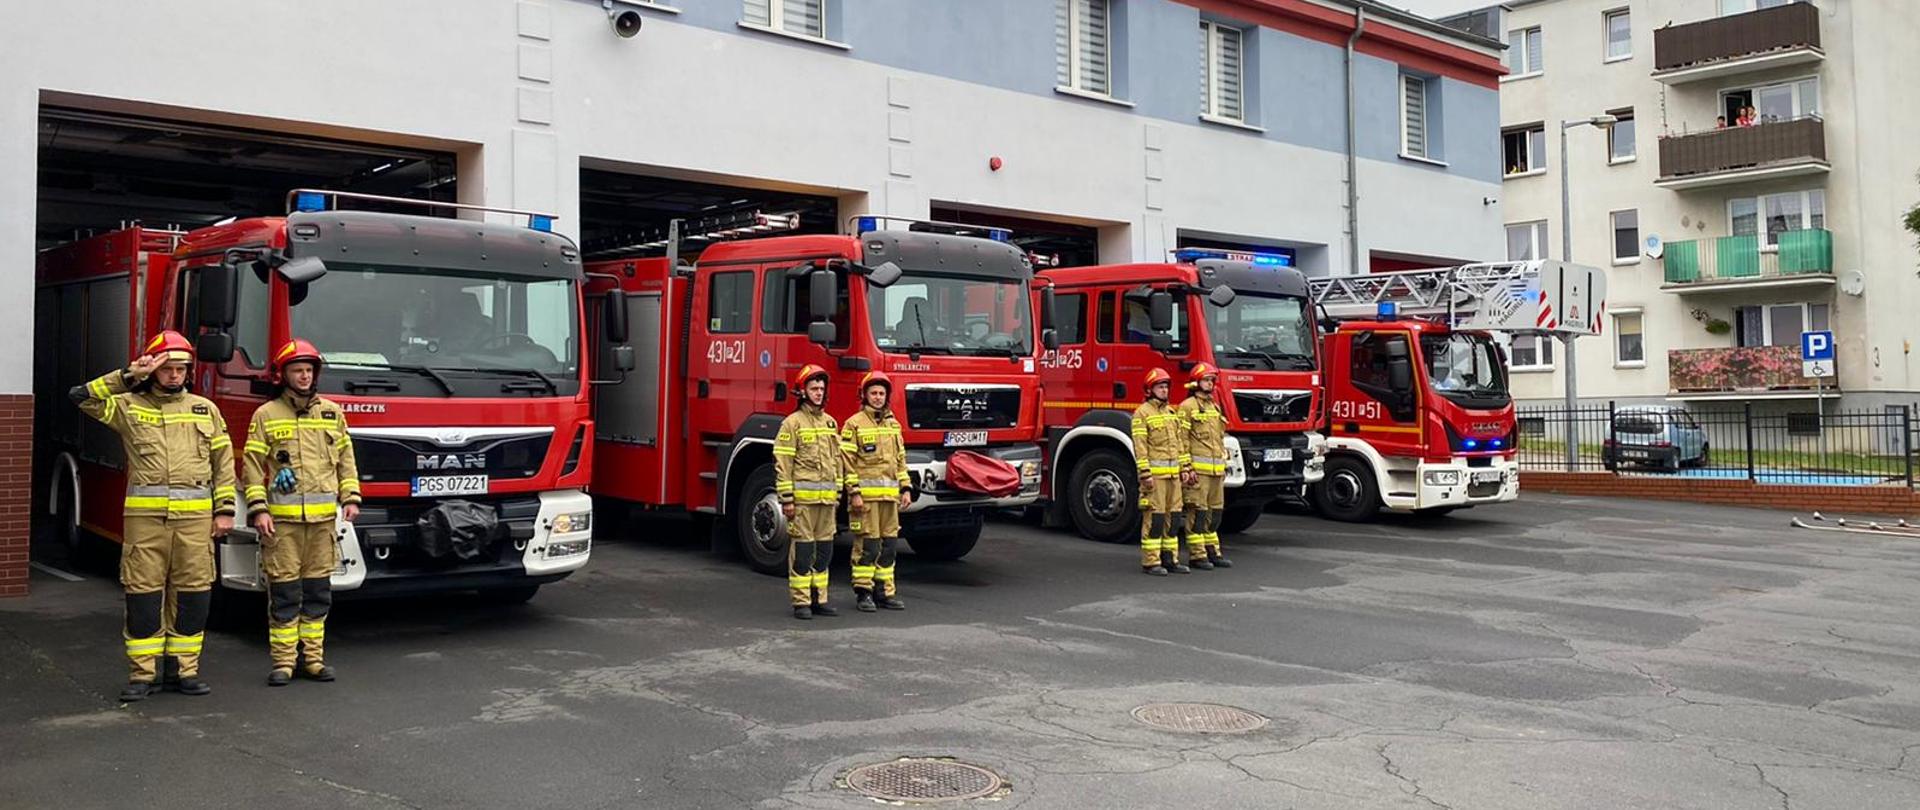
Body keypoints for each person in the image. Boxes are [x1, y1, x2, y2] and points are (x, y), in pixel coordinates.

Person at [70, 330, 237, 701]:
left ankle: (184, 672)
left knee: (194, 596)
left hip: (195, 523)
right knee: (143, 597)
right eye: (166, 368)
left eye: (181, 368)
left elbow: (223, 464)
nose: (174, 375)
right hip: (146, 523)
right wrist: (130, 374)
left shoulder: (205, 409)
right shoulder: (129, 406)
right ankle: (143, 675)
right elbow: (81, 397)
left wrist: (225, 511)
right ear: (153, 371)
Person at [243, 338, 362, 686]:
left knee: (317, 593)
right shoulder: (266, 415)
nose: (305, 376)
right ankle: (283, 662)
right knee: (284, 594)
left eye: (309, 370)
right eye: (298, 370)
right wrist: (259, 510)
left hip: (322, 524)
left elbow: (346, 460)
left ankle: (313, 660)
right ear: (284, 375)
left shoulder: (331, 413)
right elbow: (251, 467)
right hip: (282, 525)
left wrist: (351, 497)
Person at [775, 364, 844, 620]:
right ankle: (801, 601)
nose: (818, 393)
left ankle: (819, 599)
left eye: (821, 389)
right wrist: (787, 500)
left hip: (827, 503)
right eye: (813, 388)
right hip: (803, 504)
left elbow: (837, 462)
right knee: (803, 553)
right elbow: (783, 464)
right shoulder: (792, 424)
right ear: (802, 391)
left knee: (824, 552)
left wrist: (838, 494)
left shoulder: (830, 423)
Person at [841, 371, 912, 612]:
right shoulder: (854, 424)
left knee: (889, 546)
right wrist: (854, 493)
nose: (878, 397)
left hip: (889, 500)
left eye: (882, 393)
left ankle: (884, 592)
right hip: (866, 501)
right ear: (865, 395)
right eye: (873, 393)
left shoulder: (894, 425)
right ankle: (864, 593)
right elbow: (847, 463)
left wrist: (905, 488)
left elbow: (900, 461)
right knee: (867, 546)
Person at [1132, 368, 1189, 575]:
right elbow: (1140, 447)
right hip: (1155, 478)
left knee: (1173, 518)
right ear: (1149, 390)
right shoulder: (1142, 413)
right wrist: (1145, 474)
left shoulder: (1170, 413)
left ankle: (1170, 559)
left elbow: (1179, 445)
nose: (1164, 390)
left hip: (1173, 476)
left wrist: (1184, 469)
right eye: (1160, 387)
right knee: (1154, 519)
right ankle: (1151, 561)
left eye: (1166, 387)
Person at [1178, 363, 1231, 570]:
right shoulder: (1187, 407)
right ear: (1196, 382)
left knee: (1215, 513)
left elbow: (1219, 438)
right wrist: (1186, 467)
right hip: (1198, 472)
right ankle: (1197, 555)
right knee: (1198, 513)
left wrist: (1224, 464)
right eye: (1206, 380)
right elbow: (1182, 439)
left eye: (1211, 380)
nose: (1210, 384)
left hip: (1216, 471)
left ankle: (1213, 551)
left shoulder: (1214, 407)